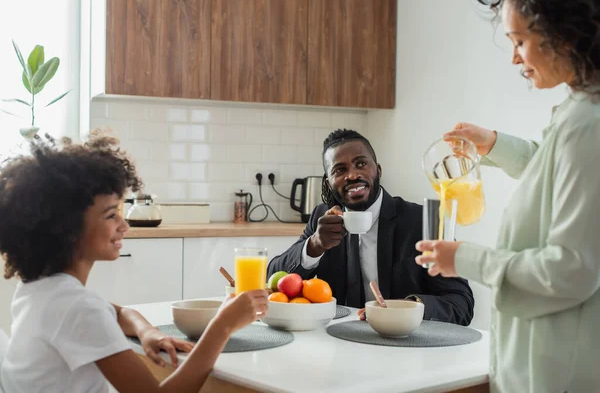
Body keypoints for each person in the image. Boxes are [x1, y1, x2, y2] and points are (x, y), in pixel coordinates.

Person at [415, 0, 600, 391]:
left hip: (558, 374)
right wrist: (494, 143)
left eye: (518, 41)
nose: (515, 58)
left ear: (563, 35)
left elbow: (572, 270)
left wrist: (466, 259)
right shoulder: (579, 111)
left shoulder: (588, 125)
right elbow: (554, 173)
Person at [0, 133, 268, 393]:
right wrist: (222, 326)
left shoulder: (39, 289)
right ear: (67, 230)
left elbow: (118, 313)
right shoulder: (78, 308)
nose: (124, 225)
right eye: (110, 216)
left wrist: (148, 332)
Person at [268, 129, 474, 326]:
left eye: (361, 164)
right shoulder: (322, 219)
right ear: (329, 182)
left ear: (378, 170)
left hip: (404, 347)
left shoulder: (420, 221)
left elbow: (460, 304)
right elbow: (274, 280)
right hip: (338, 342)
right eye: (340, 170)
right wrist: (313, 246)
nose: (352, 175)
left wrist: (408, 309)